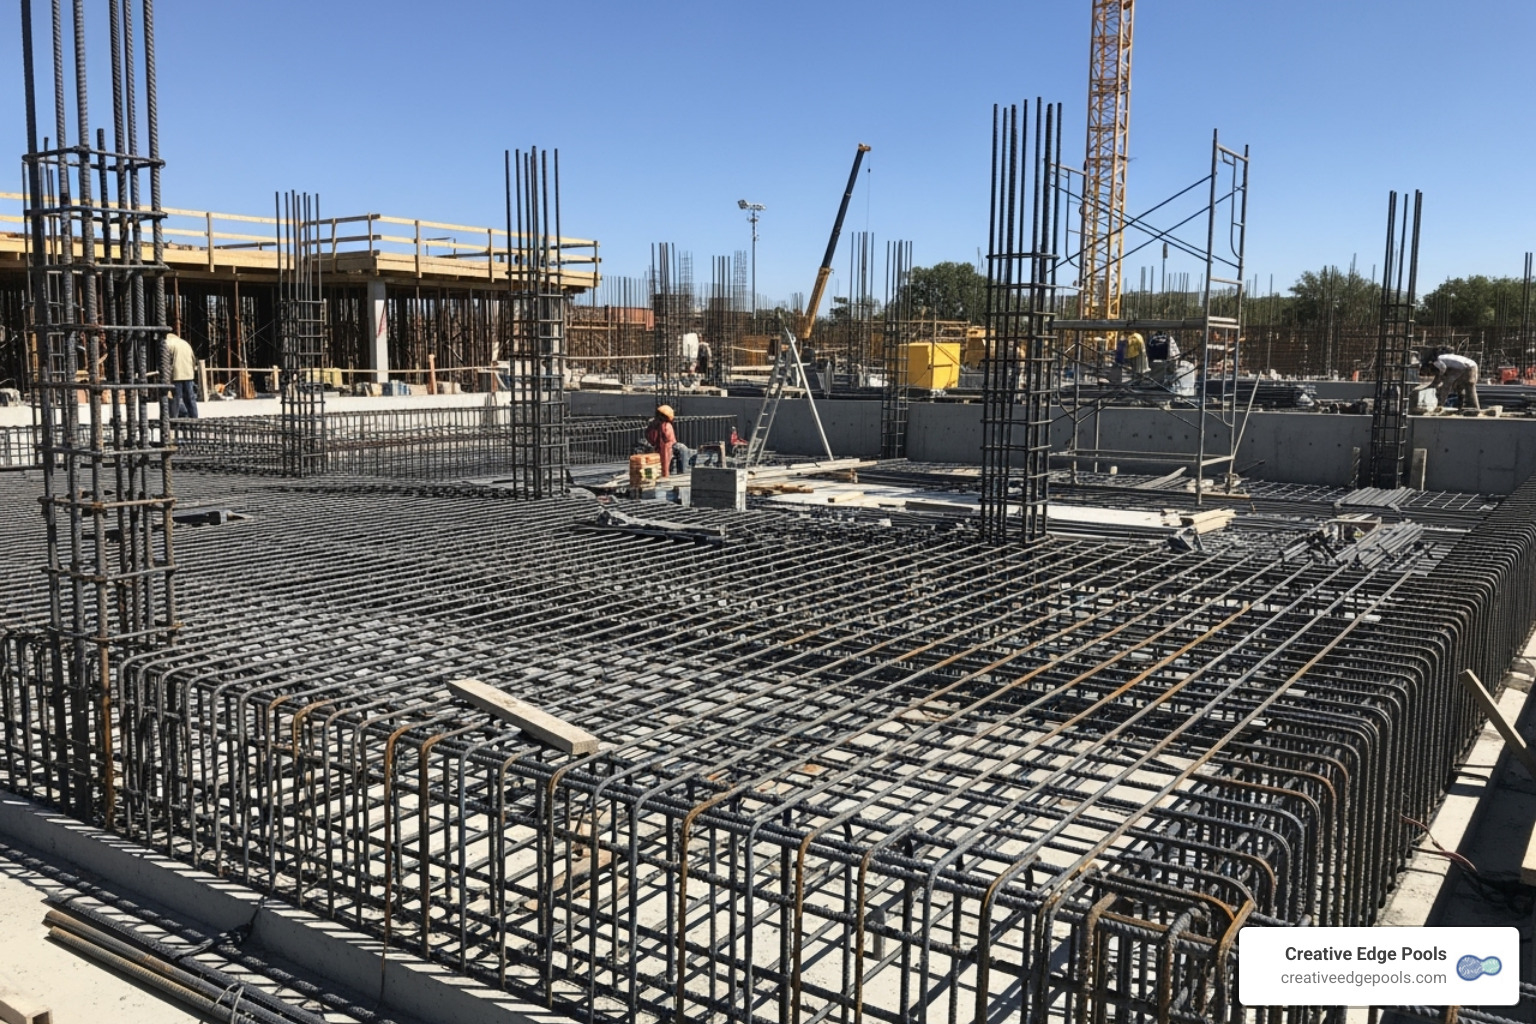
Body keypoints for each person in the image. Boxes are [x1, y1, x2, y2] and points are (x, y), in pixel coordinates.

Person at [644, 404, 693, 476]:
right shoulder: (666, 426)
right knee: (682, 449)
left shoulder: (654, 424)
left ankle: (674, 471)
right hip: (664, 448)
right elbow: (667, 444)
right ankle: (681, 473)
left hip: (659, 447)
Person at [165, 332, 198, 418]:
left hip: (177, 375)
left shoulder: (168, 343)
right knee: (190, 398)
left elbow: (166, 361)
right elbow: (193, 359)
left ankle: (174, 419)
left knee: (175, 398)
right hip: (188, 374)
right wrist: (192, 371)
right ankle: (194, 418)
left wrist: (167, 377)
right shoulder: (185, 343)